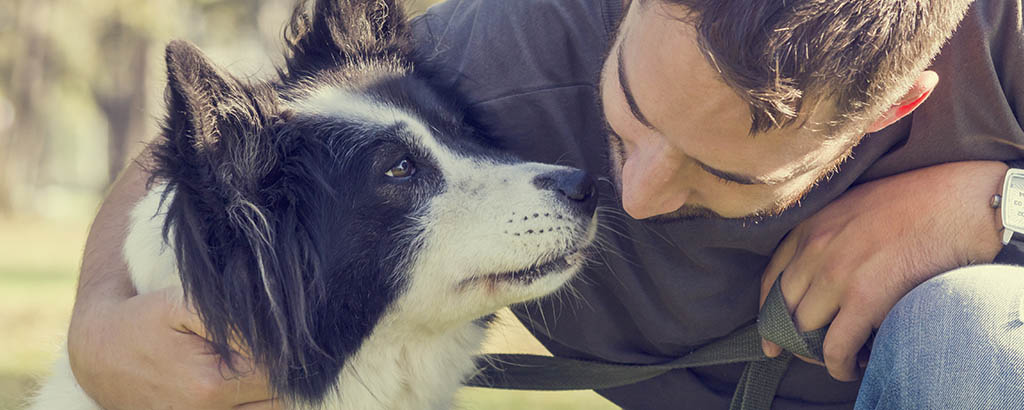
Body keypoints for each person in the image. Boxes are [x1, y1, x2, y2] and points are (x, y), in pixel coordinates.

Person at [66, 0, 1024, 409]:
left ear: (896, 105)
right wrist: (98, 324)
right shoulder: (506, 50)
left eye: (720, 174)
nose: (637, 196)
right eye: (628, 120)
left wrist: (991, 202)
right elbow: (234, 140)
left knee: (967, 330)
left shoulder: (1001, 35)